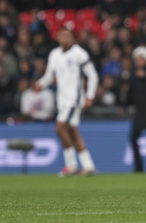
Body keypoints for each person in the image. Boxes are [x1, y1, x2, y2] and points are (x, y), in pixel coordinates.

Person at [35, 27, 99, 177]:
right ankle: (89, 166)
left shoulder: (79, 53)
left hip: (74, 99)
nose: (64, 39)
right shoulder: (54, 54)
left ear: (73, 38)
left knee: (59, 128)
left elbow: (93, 76)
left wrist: (90, 96)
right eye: (62, 35)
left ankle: (71, 165)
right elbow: (49, 76)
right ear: (57, 38)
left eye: (67, 36)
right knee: (72, 131)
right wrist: (40, 84)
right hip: (62, 100)